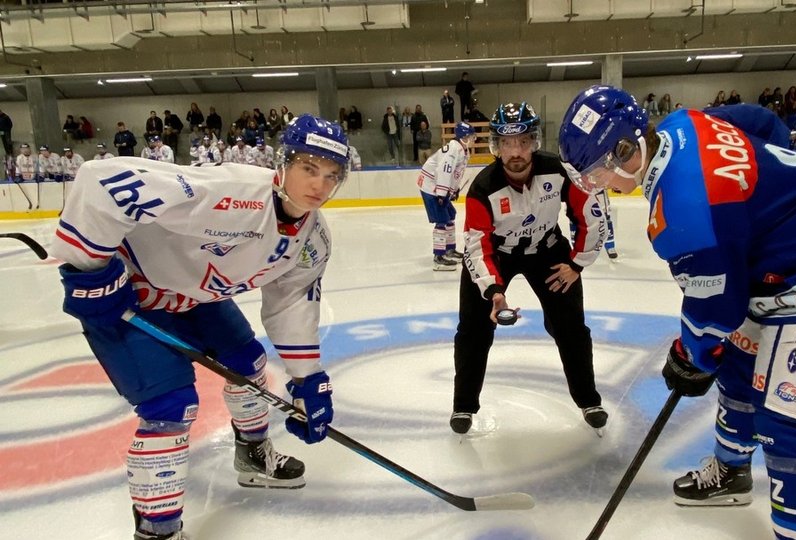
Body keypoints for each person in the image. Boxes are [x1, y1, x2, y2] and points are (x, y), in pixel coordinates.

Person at [558, 85, 796, 540]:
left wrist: (687, 354)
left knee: (787, 419)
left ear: (624, 149)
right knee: (735, 364)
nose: (595, 185)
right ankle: (732, 472)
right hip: (792, 254)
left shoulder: (681, 213)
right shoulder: (684, 122)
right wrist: (770, 203)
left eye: (596, 172)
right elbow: (762, 123)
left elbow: (717, 309)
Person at [49, 115, 348, 540]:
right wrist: (91, 271)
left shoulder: (313, 239)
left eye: (332, 176)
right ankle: (158, 532)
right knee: (170, 406)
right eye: (309, 169)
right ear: (284, 164)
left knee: (249, 364)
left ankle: (252, 456)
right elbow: (101, 180)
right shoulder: (232, 192)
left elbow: (292, 301)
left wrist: (307, 379)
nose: (320, 185)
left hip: (194, 295)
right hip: (129, 293)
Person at [450, 102, 607, 436]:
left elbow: (590, 216)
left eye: (522, 141)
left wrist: (577, 264)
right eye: (506, 143)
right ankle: (463, 405)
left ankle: (588, 399)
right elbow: (477, 246)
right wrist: (493, 291)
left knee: (571, 328)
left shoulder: (560, 170)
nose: (515, 151)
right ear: (496, 146)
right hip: (499, 255)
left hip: (549, 252)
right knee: (473, 331)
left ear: (534, 141)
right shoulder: (482, 188)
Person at [416, 121, 476, 271]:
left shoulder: (461, 149)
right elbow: (444, 171)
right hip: (431, 188)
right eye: (470, 136)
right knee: (442, 219)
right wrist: (442, 193)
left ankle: (449, 249)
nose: (473, 139)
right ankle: (439, 257)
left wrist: (453, 190)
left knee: (450, 214)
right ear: (463, 136)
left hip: (436, 187)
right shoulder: (453, 150)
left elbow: (455, 174)